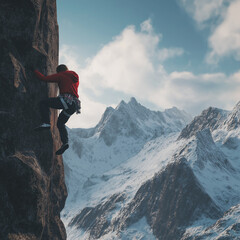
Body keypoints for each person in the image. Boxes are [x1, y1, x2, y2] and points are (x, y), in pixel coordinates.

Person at [33, 64, 81, 155]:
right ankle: (65, 143)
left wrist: (34, 70)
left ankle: (46, 123)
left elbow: (44, 78)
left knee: (43, 103)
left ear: (59, 71)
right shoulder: (75, 77)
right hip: (74, 105)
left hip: (65, 101)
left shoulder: (61, 75)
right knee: (60, 123)